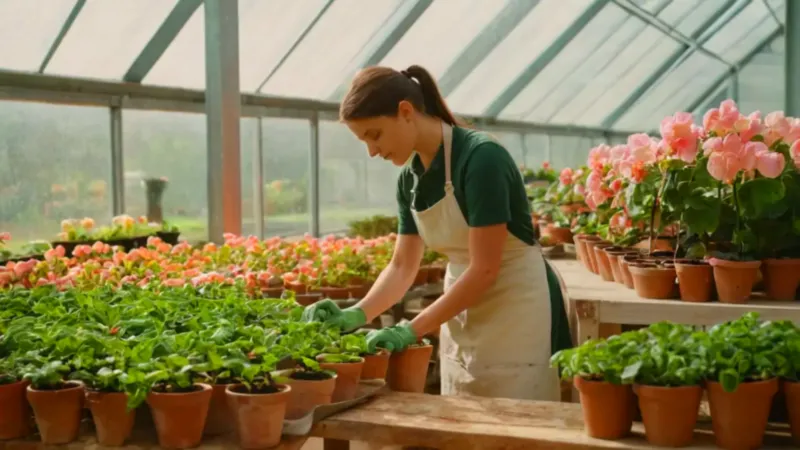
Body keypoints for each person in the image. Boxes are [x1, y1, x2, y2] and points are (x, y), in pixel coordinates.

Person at [302, 65, 572, 402]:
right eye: (364, 141)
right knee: (463, 412)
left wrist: (410, 329)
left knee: (518, 416)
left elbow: (485, 269)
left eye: (375, 135)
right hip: (459, 302)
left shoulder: (481, 159)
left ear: (406, 112)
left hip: (515, 301)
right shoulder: (410, 180)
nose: (372, 151)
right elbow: (403, 266)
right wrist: (357, 313)